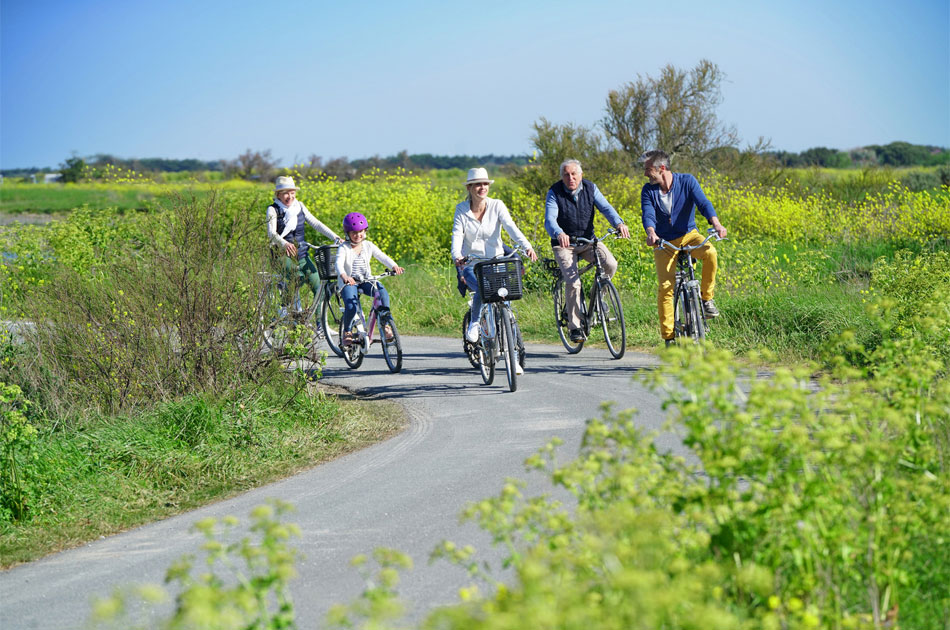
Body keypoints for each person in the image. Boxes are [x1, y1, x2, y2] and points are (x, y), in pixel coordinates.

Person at [452, 168, 538, 374]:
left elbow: (510, 227)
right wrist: (457, 256)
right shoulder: (461, 210)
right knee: (482, 288)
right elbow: (457, 236)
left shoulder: (497, 205)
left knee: (505, 307)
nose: (482, 188)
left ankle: (513, 358)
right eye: (478, 184)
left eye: (485, 184)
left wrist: (526, 246)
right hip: (473, 263)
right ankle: (474, 323)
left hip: (497, 261)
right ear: (470, 188)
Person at [639, 150, 727, 347]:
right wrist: (651, 232)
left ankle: (706, 299)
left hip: (689, 235)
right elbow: (648, 214)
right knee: (666, 288)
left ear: (661, 168)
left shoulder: (687, 181)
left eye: (648, 169)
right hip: (664, 242)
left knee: (710, 252)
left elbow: (703, 204)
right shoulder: (648, 190)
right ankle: (669, 337)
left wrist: (717, 224)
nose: (645, 174)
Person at [544, 159, 630, 343]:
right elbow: (550, 219)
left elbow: (606, 208)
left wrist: (619, 223)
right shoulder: (554, 192)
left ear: (581, 175)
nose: (570, 178)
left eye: (574, 174)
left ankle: (598, 299)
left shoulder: (590, 188)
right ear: (562, 177)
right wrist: (559, 233)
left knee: (610, 264)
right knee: (574, 283)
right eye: (566, 174)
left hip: (587, 241)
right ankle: (574, 328)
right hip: (564, 244)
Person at [266, 175, 341, 305]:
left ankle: (319, 323)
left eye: (292, 193)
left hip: (301, 255)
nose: (289, 196)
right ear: (278, 195)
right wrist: (284, 243)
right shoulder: (272, 209)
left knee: (319, 287)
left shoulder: (299, 206)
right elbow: (271, 233)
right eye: (285, 193)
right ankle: (285, 308)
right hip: (280, 255)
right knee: (297, 277)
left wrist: (335, 237)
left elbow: (316, 223)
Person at [335, 212, 404, 344]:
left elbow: (382, 256)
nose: (357, 235)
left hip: (366, 280)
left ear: (365, 231)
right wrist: (344, 276)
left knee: (382, 292)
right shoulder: (344, 247)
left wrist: (394, 266)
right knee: (351, 306)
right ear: (347, 233)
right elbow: (338, 263)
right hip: (349, 282)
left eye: (360, 231)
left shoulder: (368, 245)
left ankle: (385, 322)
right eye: (354, 232)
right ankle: (347, 331)